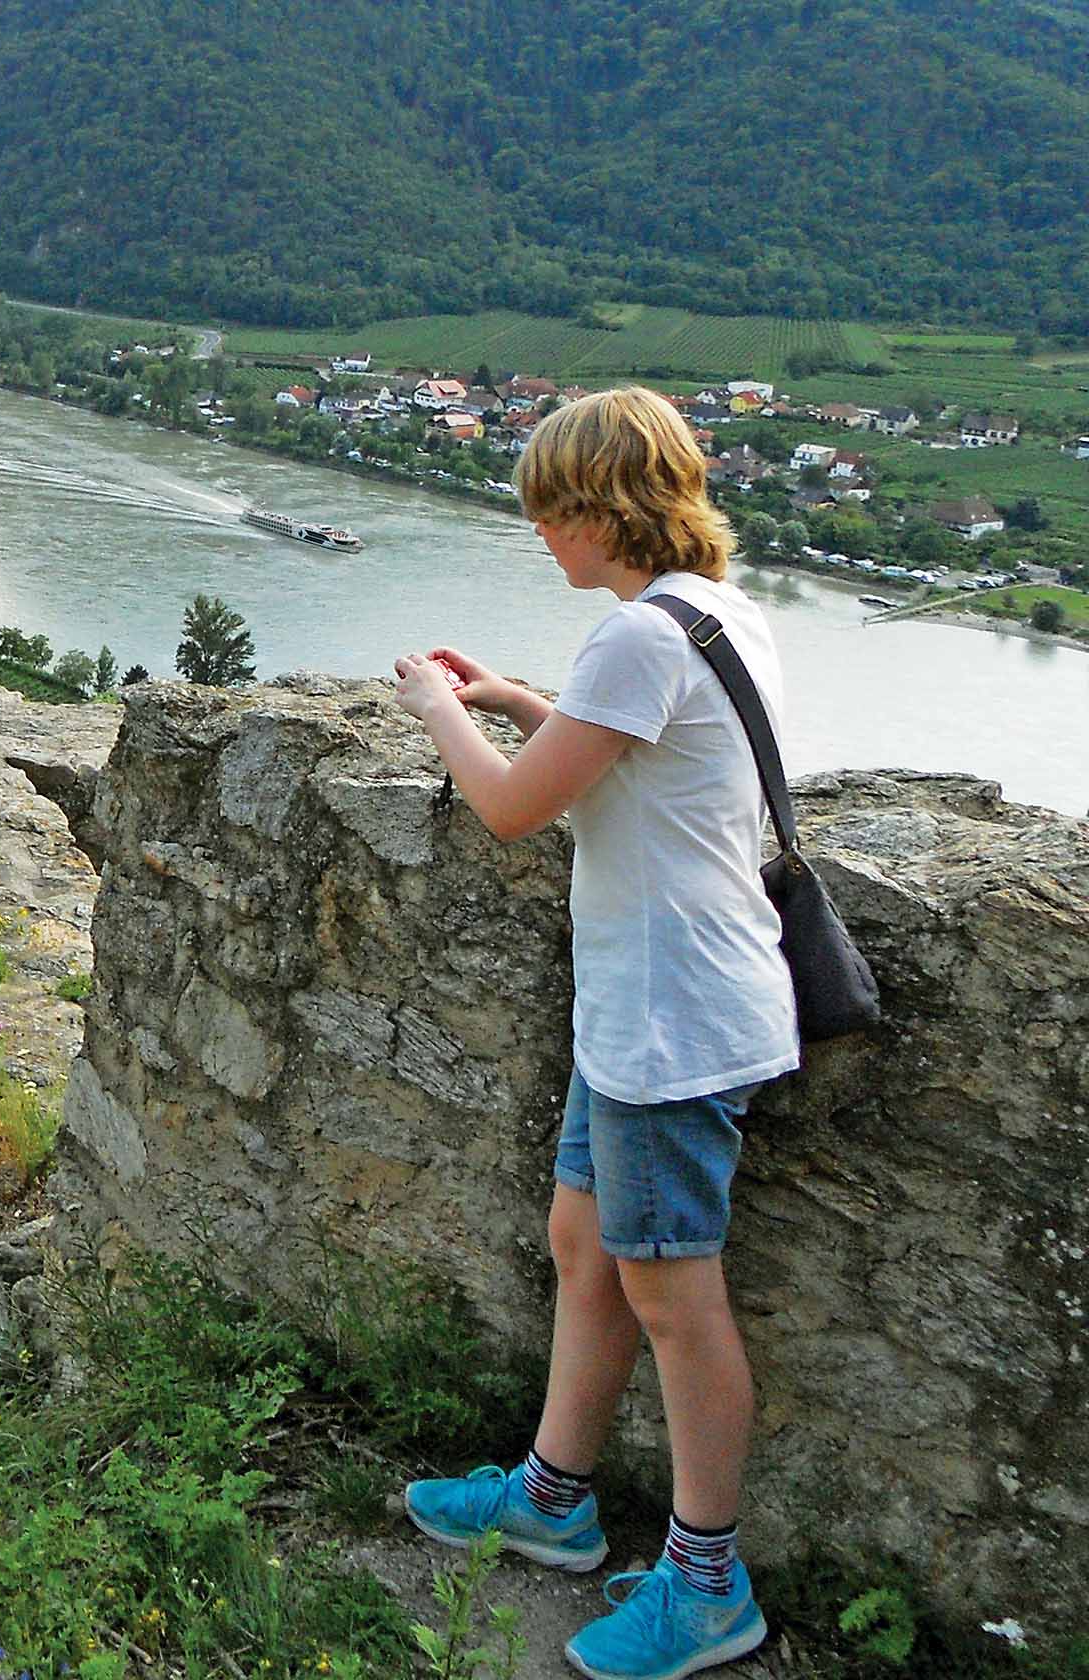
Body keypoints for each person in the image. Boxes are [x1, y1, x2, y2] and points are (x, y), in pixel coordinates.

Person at [391, 387, 797, 1680]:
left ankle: (707, 1582)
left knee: (676, 1299)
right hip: (647, 1006)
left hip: (674, 1021)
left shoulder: (636, 641)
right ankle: (555, 1500)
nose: (541, 538)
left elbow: (514, 809)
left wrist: (437, 705)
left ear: (601, 506)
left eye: (551, 513)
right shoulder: (710, 616)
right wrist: (515, 693)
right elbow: (611, 754)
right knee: (585, 1240)